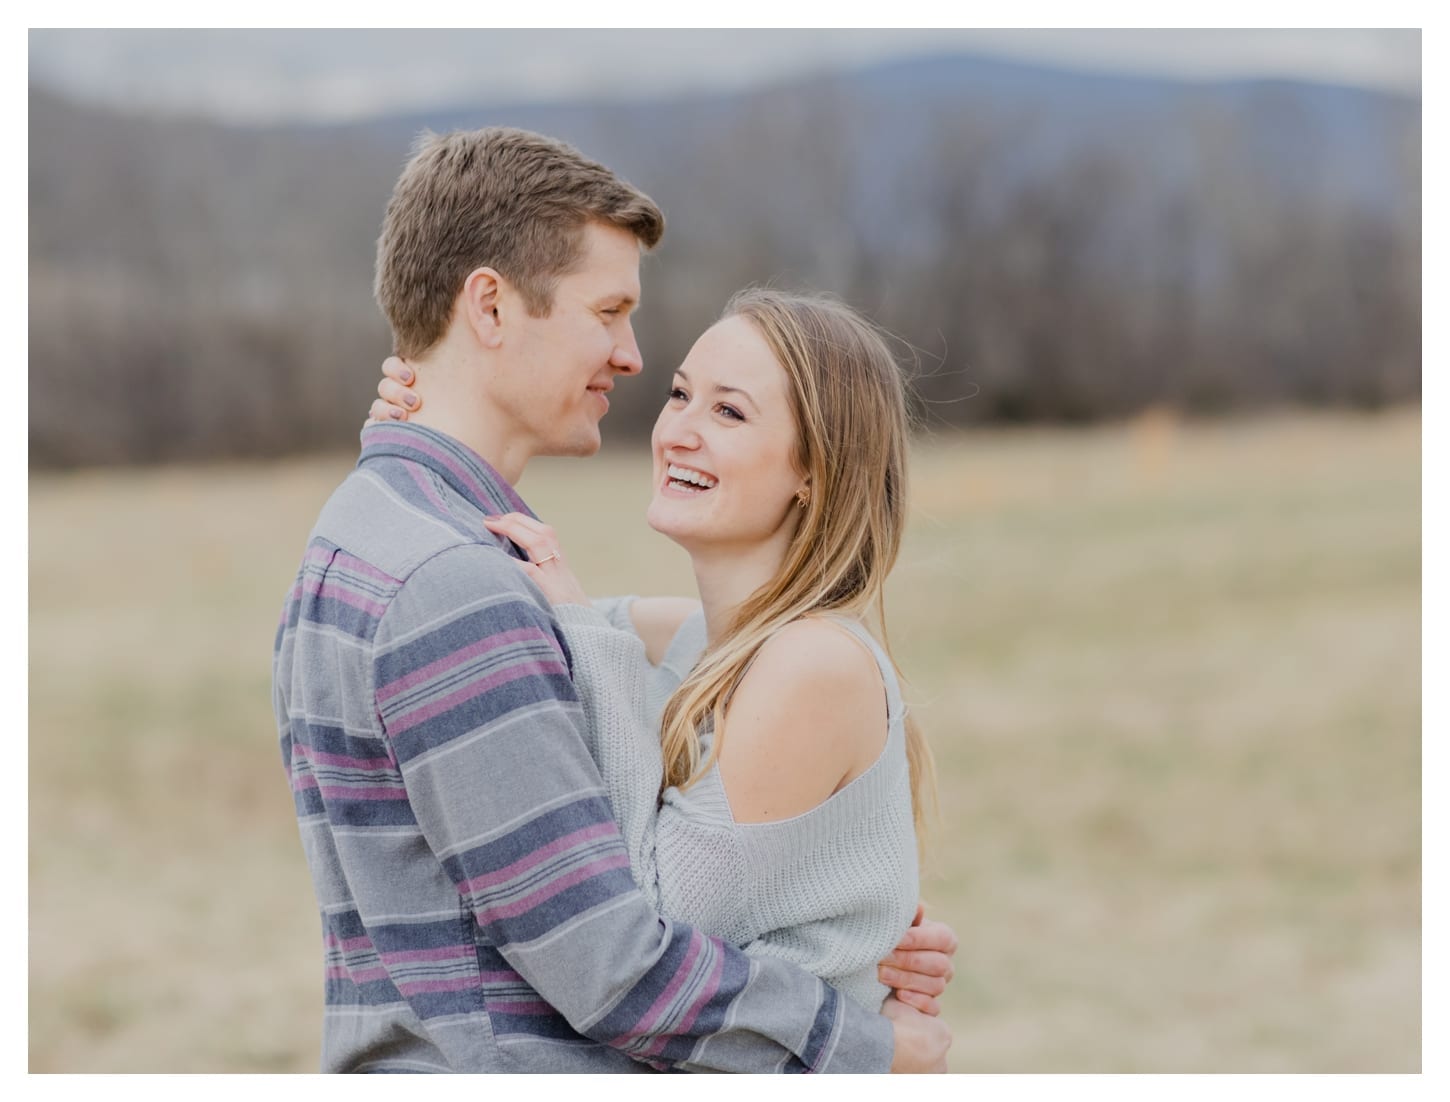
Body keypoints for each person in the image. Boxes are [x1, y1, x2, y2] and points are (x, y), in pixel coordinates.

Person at [273, 125, 953, 1074]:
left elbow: (677, 664)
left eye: (729, 408)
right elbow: (627, 964)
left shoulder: (387, 533)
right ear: (491, 307)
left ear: (818, 471)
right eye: (609, 311)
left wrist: (851, 921)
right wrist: (874, 1044)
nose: (634, 364)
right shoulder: (454, 582)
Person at [372, 286, 936, 1015]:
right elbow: (501, 612)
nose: (677, 432)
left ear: (814, 471)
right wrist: (418, 438)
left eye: (728, 411)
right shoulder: (701, 640)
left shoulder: (814, 666)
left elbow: (651, 940)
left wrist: (580, 625)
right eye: (680, 396)